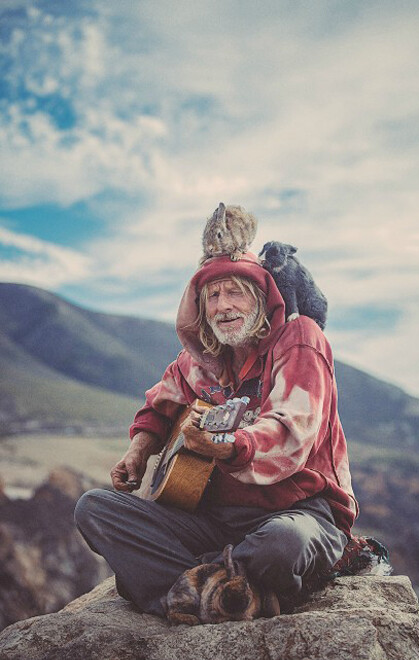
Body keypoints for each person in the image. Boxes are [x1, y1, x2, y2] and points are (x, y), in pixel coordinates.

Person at [74, 231, 358, 618]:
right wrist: (139, 450)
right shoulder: (200, 358)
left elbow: (291, 430)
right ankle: (240, 592)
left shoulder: (299, 339)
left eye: (235, 292)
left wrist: (227, 445)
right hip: (211, 519)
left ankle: (178, 586)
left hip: (296, 510)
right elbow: (159, 405)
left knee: (283, 543)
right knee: (95, 509)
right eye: (212, 295)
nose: (223, 306)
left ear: (261, 299)